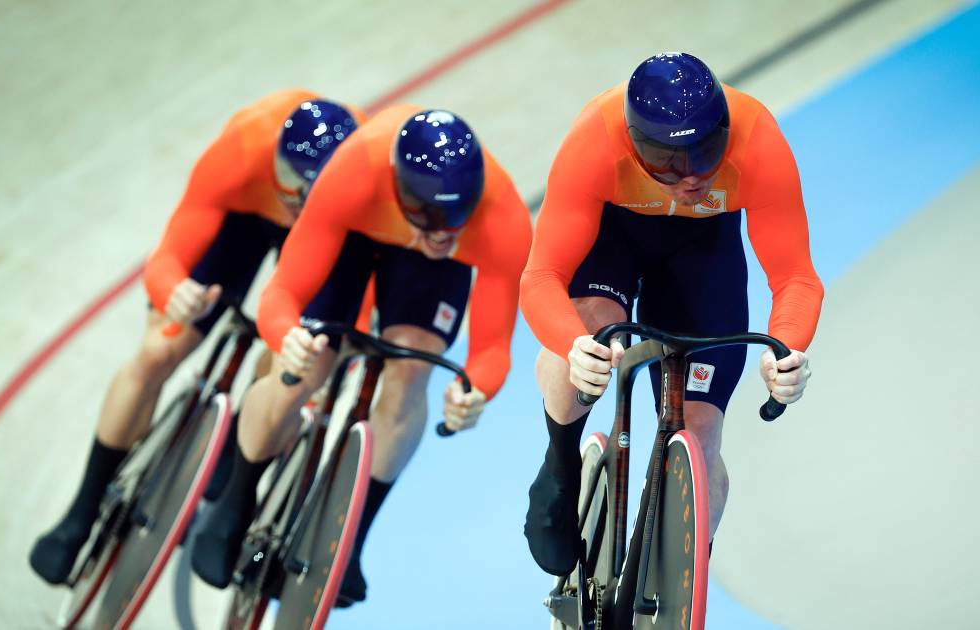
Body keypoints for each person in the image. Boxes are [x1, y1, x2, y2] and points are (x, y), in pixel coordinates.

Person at [190, 107, 532, 607]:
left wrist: (475, 390)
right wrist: (289, 336)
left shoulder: (502, 219)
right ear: (398, 189)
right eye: (429, 217)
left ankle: (352, 539)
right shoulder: (351, 174)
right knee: (308, 364)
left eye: (455, 218)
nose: (442, 232)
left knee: (412, 370)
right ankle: (236, 500)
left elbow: (490, 349)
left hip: (423, 268)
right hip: (353, 230)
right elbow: (282, 291)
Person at [28, 91, 363, 585]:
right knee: (158, 351)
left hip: (324, 235)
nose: (296, 200)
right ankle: (81, 509)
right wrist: (175, 291)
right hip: (244, 221)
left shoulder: (351, 190)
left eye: (309, 192)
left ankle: (234, 466)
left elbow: (359, 285)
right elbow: (168, 257)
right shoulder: (242, 151)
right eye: (291, 185)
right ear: (276, 162)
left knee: (290, 370)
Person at [519, 52, 824, 575]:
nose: (690, 179)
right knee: (588, 341)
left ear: (725, 132)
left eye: (706, 154)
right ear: (633, 145)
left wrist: (788, 348)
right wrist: (574, 345)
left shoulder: (758, 139)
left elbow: (795, 276)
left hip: (702, 251)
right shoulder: (595, 140)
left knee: (702, 443)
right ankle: (560, 464)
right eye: (666, 163)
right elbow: (540, 276)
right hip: (614, 237)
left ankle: (671, 582)